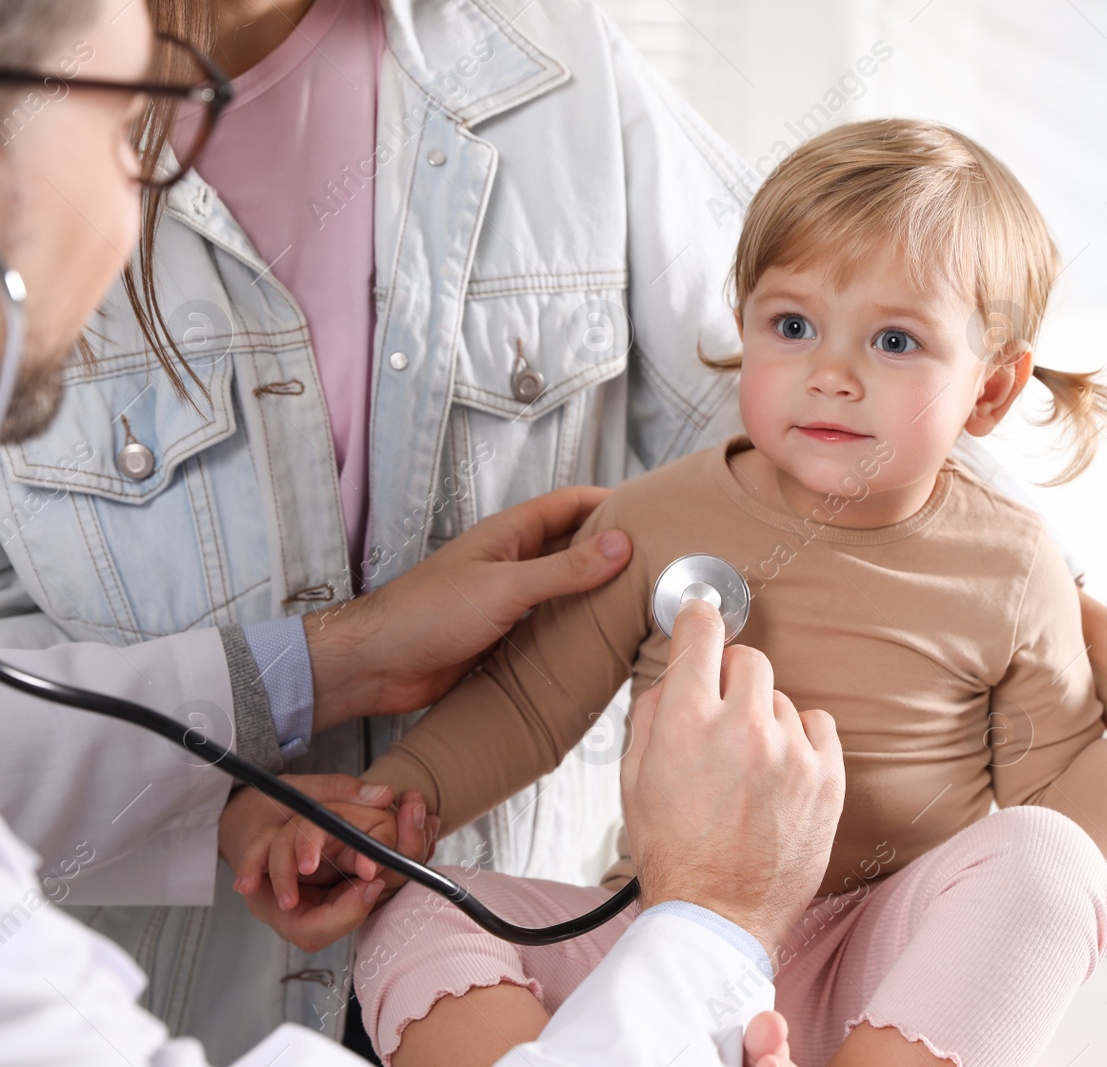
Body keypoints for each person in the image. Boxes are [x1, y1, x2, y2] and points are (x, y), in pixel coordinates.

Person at [4, 0, 1107, 1058]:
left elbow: (1047, 779)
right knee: (423, 908)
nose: (832, 376)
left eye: (896, 341)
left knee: (1041, 866)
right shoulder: (670, 518)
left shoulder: (554, 60)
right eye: (791, 327)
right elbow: (528, 710)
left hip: (868, 941)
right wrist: (398, 809)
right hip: (626, 939)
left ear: (990, 386)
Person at [0, 2, 840, 1064]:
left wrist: (338, 660)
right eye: (130, 148)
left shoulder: (552, 59)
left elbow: (819, 414)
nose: (136, 210)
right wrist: (704, 933)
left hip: (515, 961)